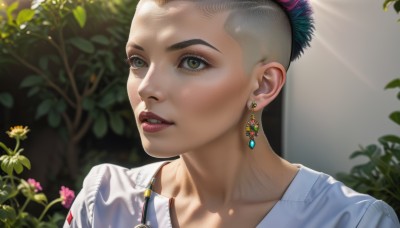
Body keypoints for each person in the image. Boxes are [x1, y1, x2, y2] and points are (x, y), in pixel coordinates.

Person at [64, 0, 400, 227]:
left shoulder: (350, 220)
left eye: (191, 61)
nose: (147, 87)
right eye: (138, 61)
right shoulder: (106, 202)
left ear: (263, 85)